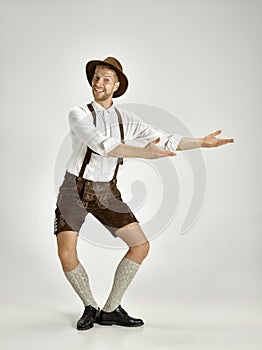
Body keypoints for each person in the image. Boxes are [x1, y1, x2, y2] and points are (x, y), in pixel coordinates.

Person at [54, 56, 234, 331]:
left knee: (140, 245)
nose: (98, 82)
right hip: (73, 189)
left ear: (116, 86)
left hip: (106, 191)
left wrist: (202, 143)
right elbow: (104, 145)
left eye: (105, 79)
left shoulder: (127, 118)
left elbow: (164, 139)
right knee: (67, 254)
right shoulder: (78, 113)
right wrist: (144, 154)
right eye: (96, 77)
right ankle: (90, 305)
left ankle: (110, 310)